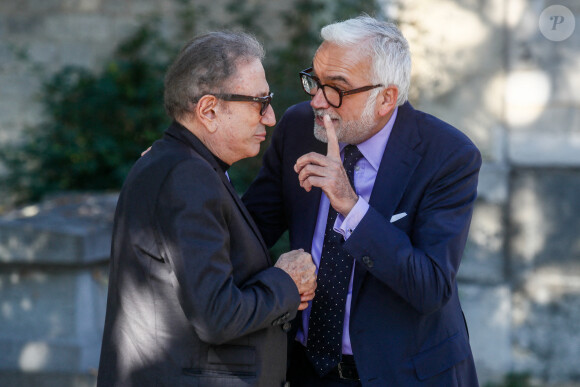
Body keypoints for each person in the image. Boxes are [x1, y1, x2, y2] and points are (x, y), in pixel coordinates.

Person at [243, 16, 481, 386]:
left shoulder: (448, 156)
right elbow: (249, 227)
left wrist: (350, 206)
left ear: (386, 97)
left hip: (404, 374)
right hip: (306, 369)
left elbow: (430, 287)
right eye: (315, 81)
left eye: (336, 88)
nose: (318, 102)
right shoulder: (299, 128)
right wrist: (189, 167)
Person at [97, 31, 317, 387]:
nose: (271, 117)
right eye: (259, 102)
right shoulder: (186, 176)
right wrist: (286, 282)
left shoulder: (182, 165)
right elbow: (216, 315)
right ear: (209, 109)